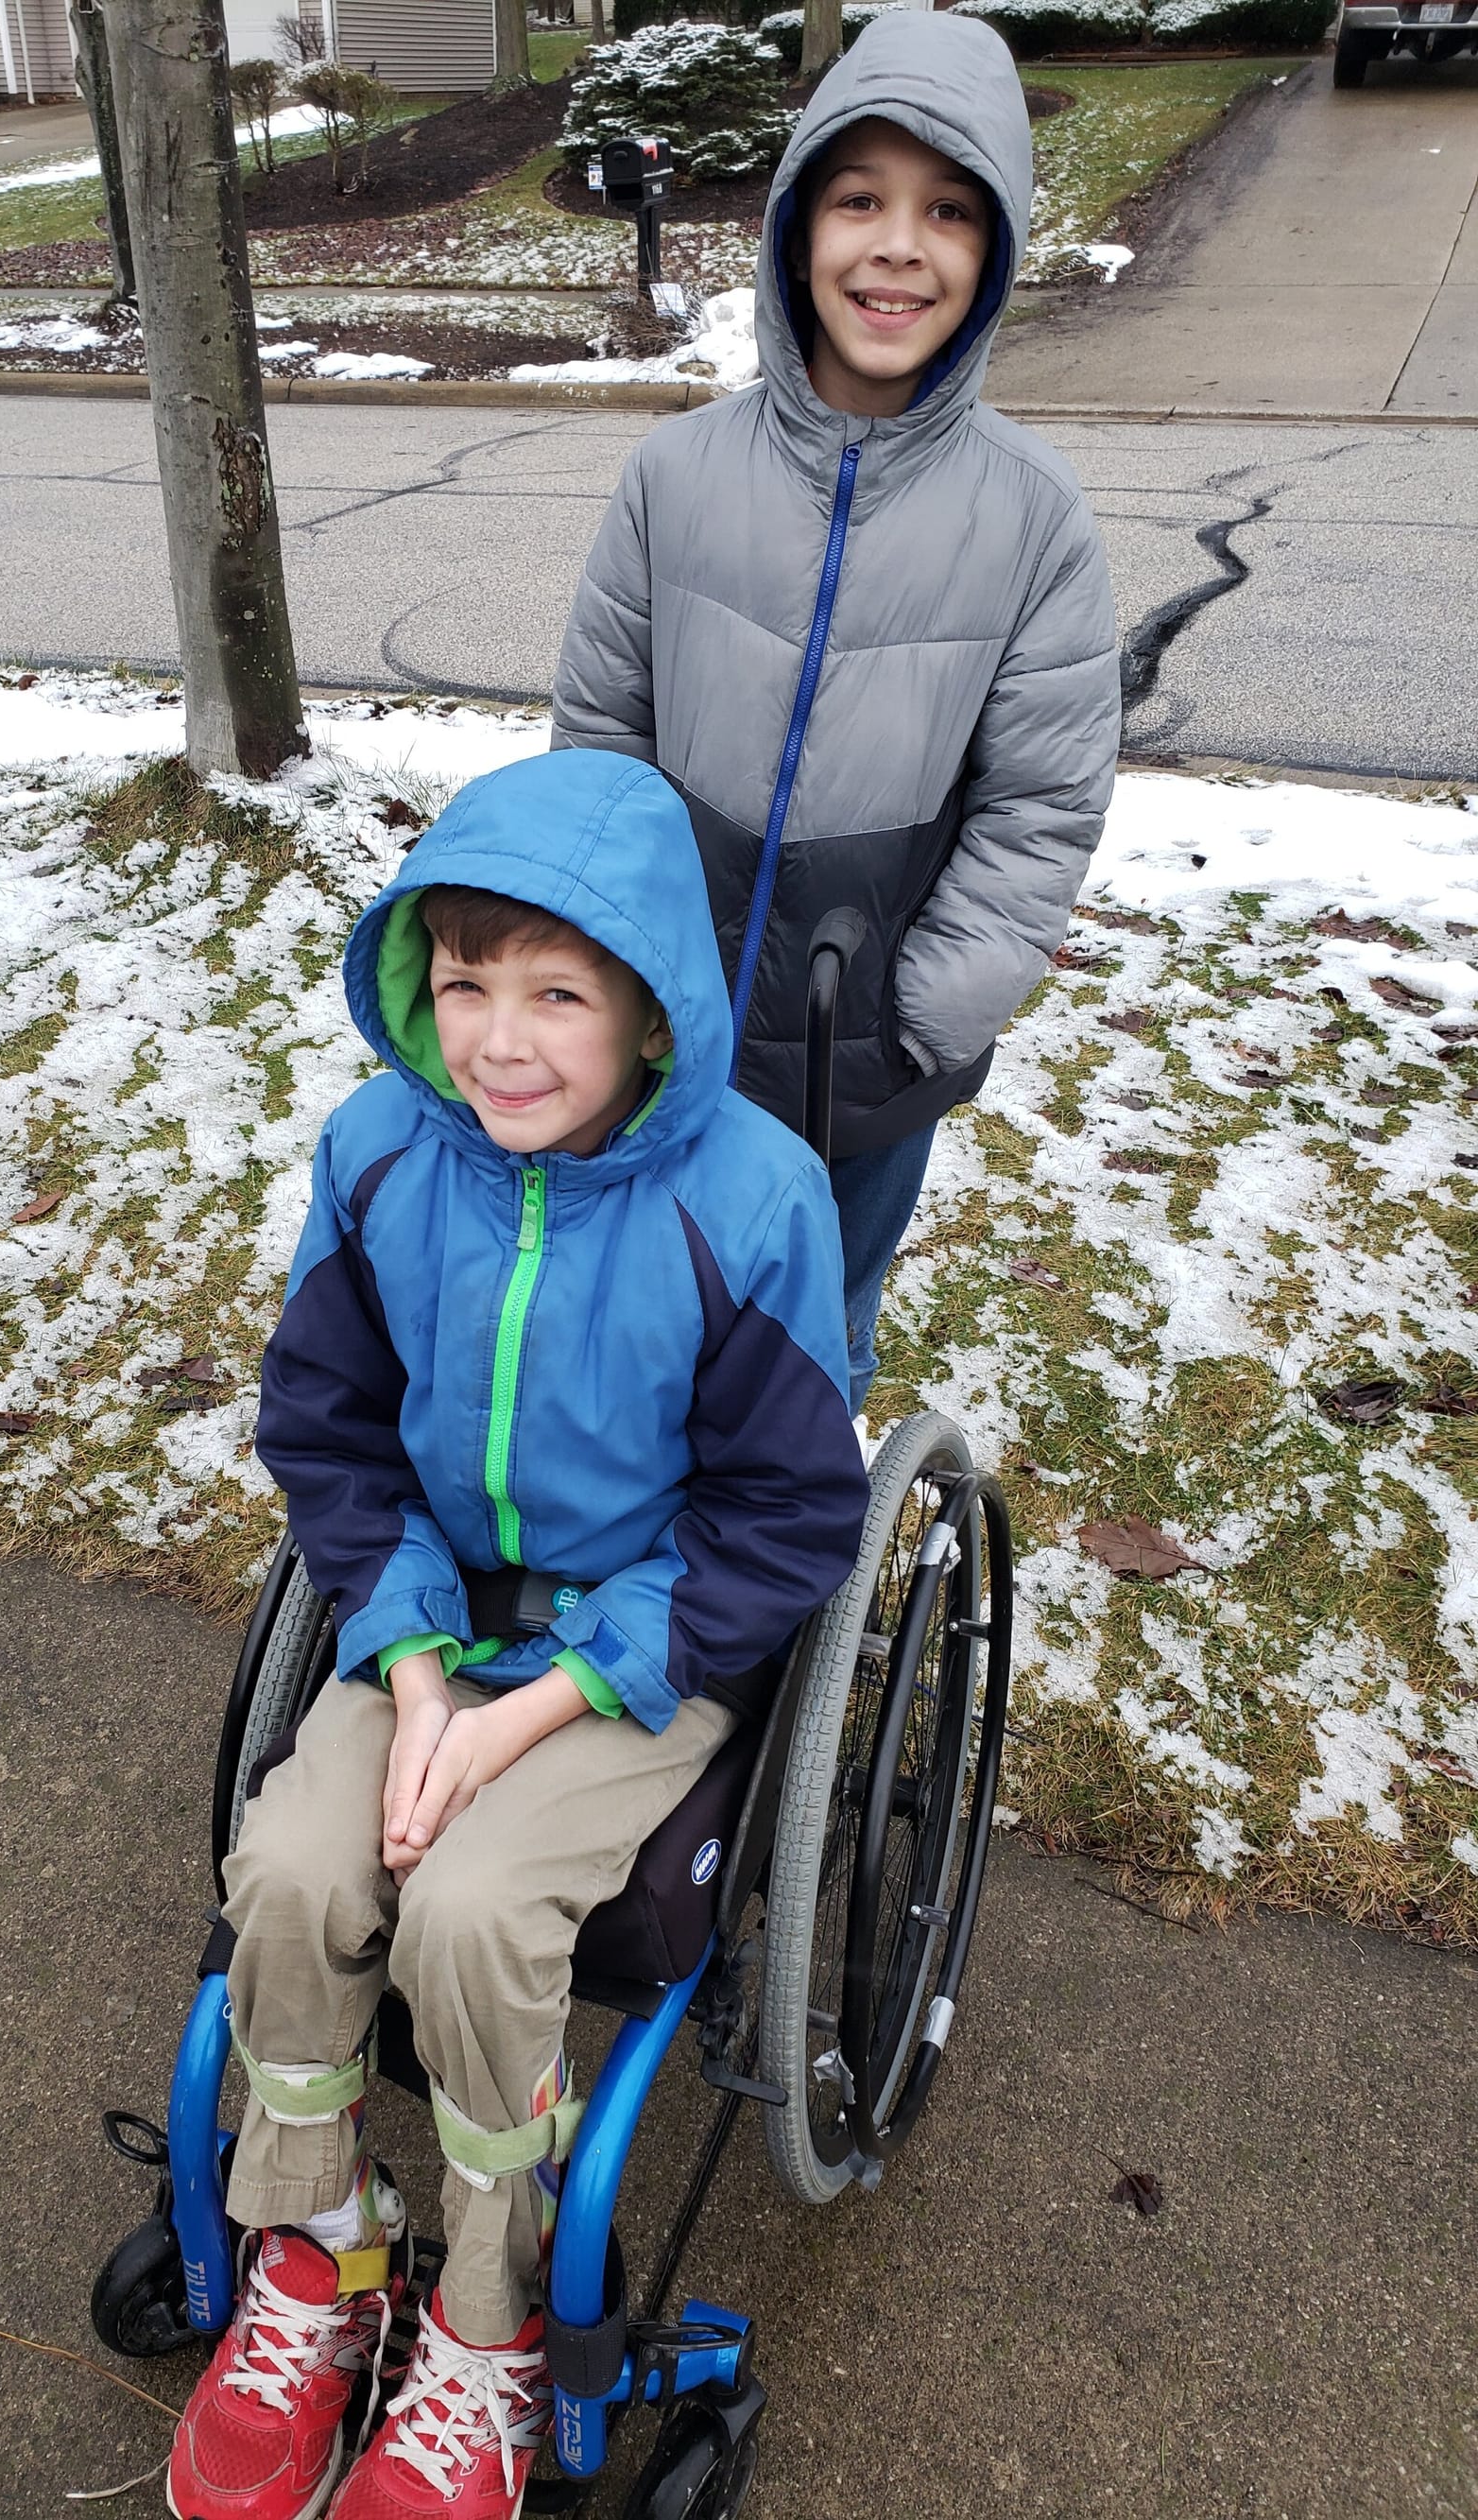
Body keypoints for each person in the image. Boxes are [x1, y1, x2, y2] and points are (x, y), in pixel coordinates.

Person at [166, 748, 866, 2520]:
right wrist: (412, 1679)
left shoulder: (753, 1200)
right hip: (426, 1608)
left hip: (646, 1641)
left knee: (474, 1911)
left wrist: (525, 1710)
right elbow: (325, 1428)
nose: (499, 1038)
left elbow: (783, 1516)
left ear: (651, 1011)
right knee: (295, 1869)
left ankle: (484, 2331)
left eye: (557, 991)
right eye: (465, 980)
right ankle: (324, 2246)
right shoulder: (385, 1152)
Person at [551, 9, 1123, 1419]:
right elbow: (599, 728)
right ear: (799, 226)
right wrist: (615, 960)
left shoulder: (1033, 519)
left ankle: (786, 1605)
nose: (897, 246)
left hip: (865, 1044)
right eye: (859, 198)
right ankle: (627, 1597)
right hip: (669, 1021)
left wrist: (926, 1008)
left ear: (991, 256)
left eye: (948, 211)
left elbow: (1042, 804)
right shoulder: (675, 476)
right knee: (646, 1308)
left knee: (814, 1332)